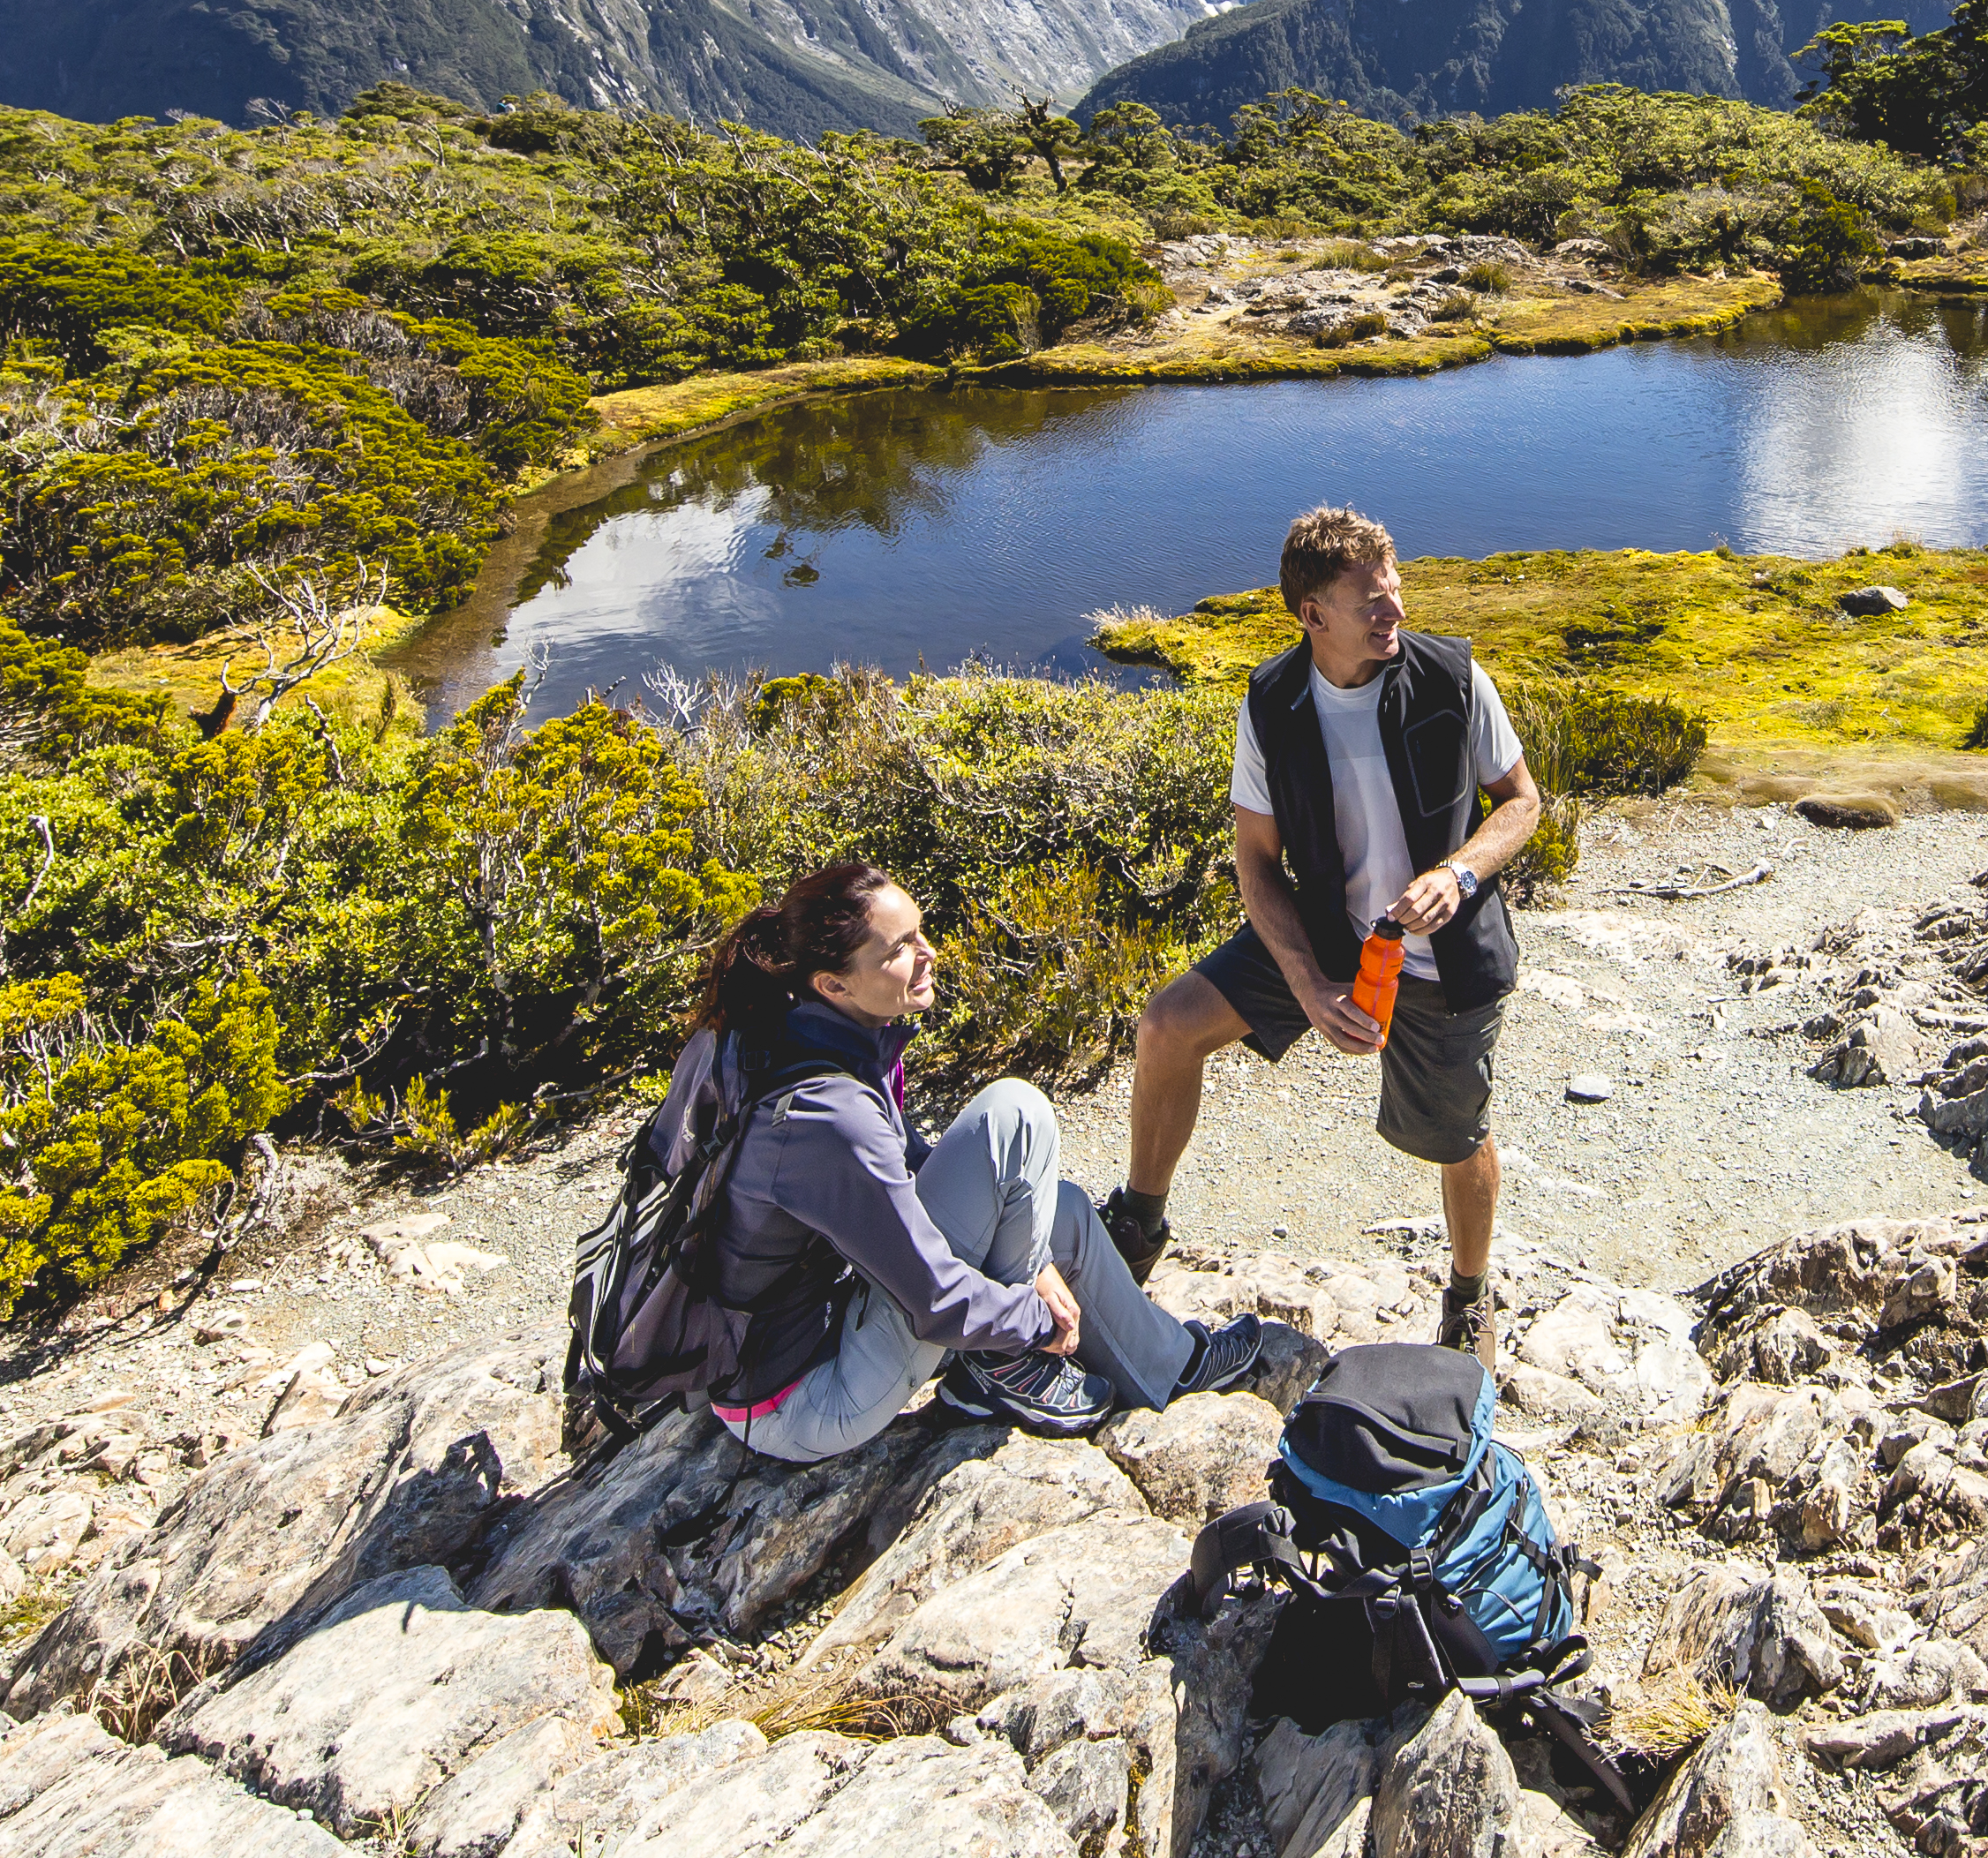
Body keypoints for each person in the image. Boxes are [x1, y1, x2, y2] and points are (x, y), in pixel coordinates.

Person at [658, 856, 1321, 1462]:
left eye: (920, 932)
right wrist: (1031, 1319)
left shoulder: (793, 1030)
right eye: (901, 949)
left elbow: (896, 1186)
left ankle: (1167, 1363)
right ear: (834, 982)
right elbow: (934, 1298)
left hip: (825, 1320)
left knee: (1056, 1207)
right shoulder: (824, 1114)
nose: (929, 953)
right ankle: (1004, 1367)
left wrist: (1023, 1274)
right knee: (1015, 1112)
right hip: (807, 1398)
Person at [1102, 504, 1543, 1353]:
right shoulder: (1270, 705)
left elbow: (1521, 803)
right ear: (1314, 615)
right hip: (1329, 930)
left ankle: (1468, 1298)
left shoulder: (1454, 679)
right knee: (1166, 1027)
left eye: (1396, 590)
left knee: (1458, 1133)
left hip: (1444, 952)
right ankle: (1139, 1221)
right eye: (1373, 601)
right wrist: (1306, 982)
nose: (1397, 613)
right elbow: (1256, 862)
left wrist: (1461, 872)